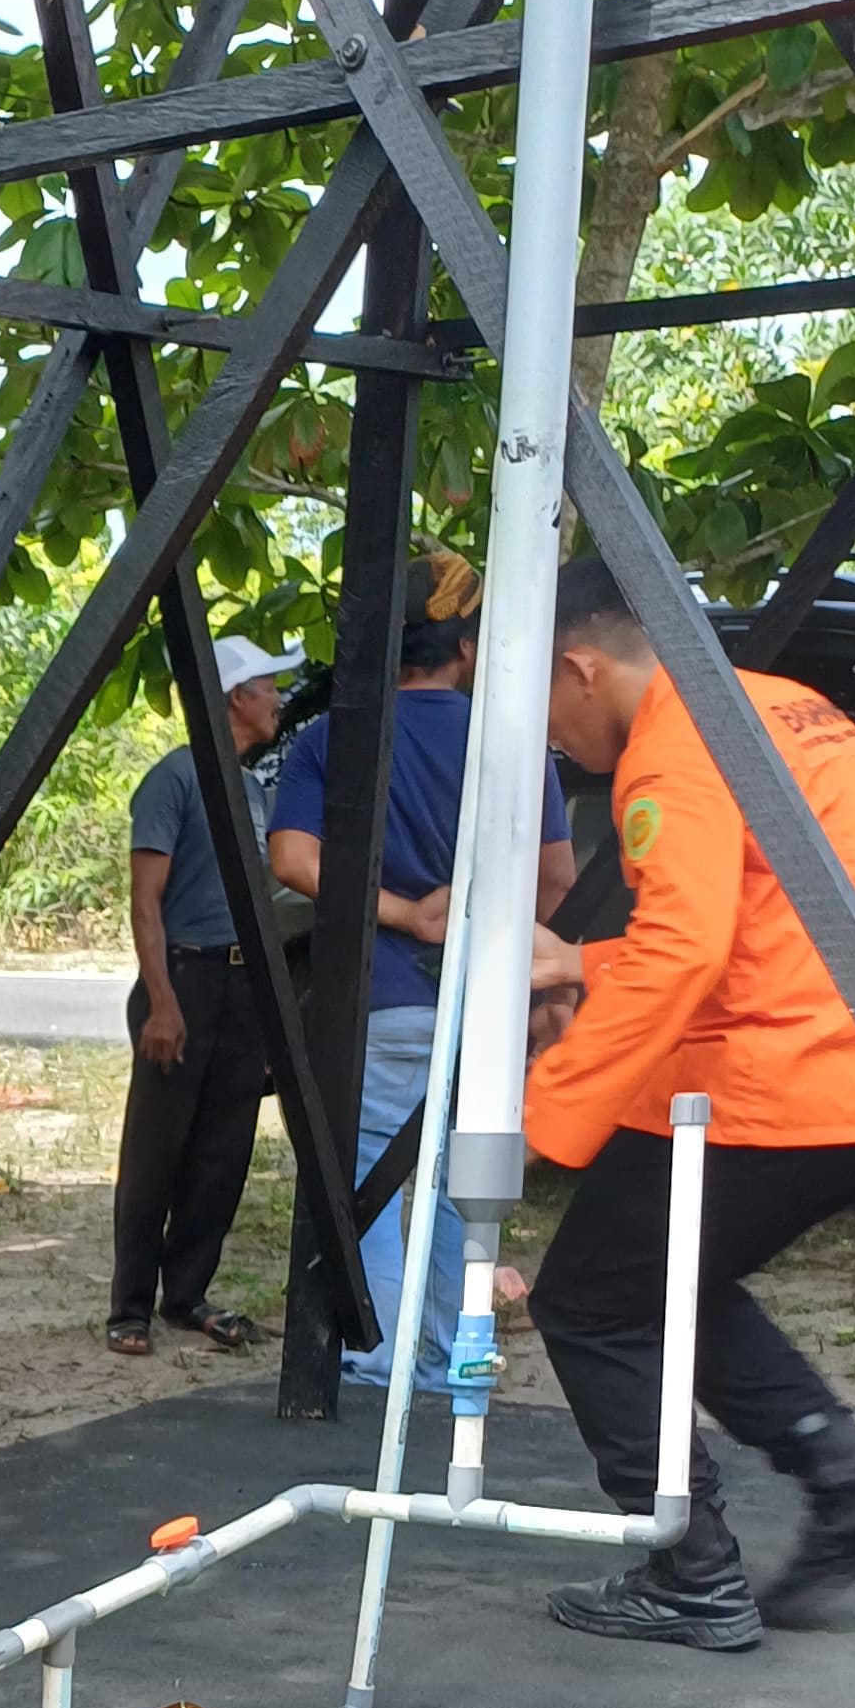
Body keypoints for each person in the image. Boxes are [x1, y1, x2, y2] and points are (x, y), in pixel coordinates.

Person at [524, 555, 855, 1649]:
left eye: (545, 708)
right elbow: (765, 922)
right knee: (669, 1284)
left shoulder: (671, 749)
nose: (553, 740)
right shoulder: (782, 705)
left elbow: (688, 949)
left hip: (780, 1076)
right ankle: (854, 1486)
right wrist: (580, 967)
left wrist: (548, 1115)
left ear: (582, 668)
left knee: (587, 1299)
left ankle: (691, 1568)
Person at [266, 554, 576, 1394]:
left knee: (366, 1172)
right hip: (485, 1001)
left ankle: (372, 1356)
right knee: (456, 1181)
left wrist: (405, 913)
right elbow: (554, 876)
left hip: (380, 997)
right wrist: (491, 933)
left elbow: (292, 857)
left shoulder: (334, 735)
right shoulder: (510, 743)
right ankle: (446, 1358)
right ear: (466, 647)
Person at [107, 637, 297, 1354]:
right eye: (267, 685)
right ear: (233, 699)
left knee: (223, 1151)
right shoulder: (174, 780)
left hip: (242, 983)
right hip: (183, 979)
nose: (278, 698)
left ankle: (185, 1296)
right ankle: (129, 1306)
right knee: (157, 1151)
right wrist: (161, 1001)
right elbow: (145, 900)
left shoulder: (249, 787)